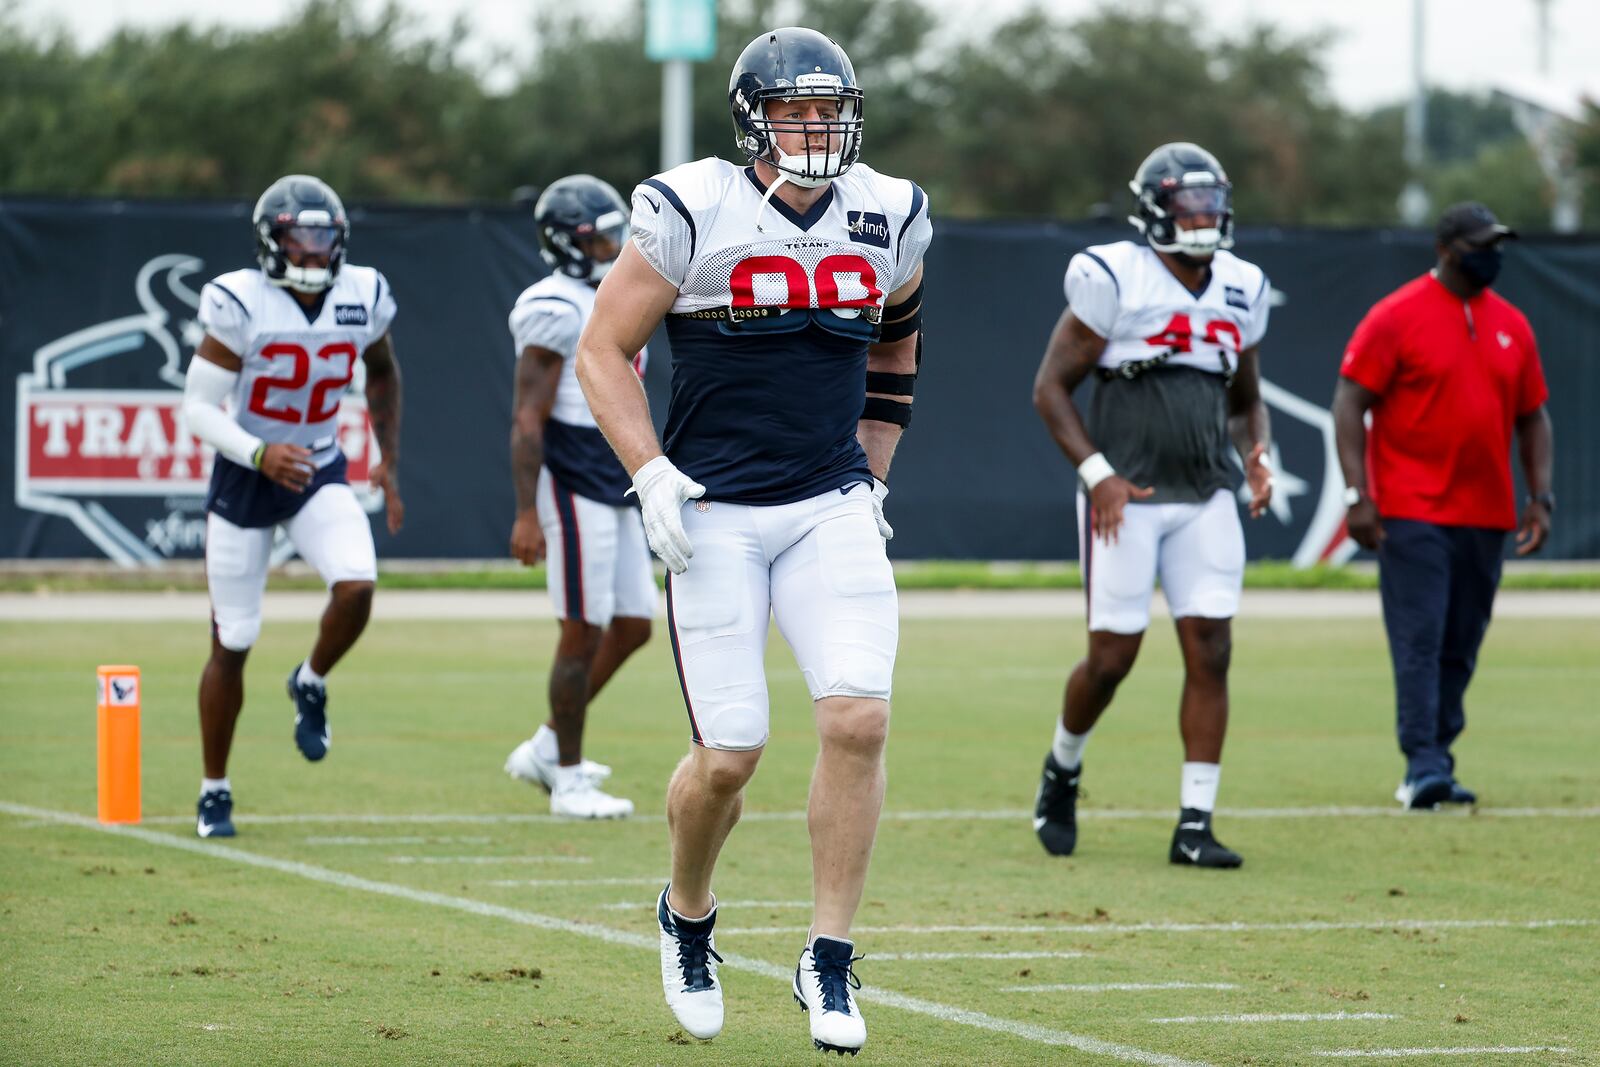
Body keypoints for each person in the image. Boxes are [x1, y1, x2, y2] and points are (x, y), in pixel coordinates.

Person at [574, 27, 931, 1055]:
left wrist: (873, 471)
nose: (816, 128)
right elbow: (603, 348)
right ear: (754, 118)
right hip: (716, 508)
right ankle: (687, 910)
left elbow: (899, 333)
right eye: (796, 110)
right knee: (728, 755)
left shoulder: (890, 210)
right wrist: (650, 473)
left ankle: (828, 953)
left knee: (858, 718)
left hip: (825, 502)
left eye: (830, 110)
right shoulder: (694, 206)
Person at [1031, 142, 1273, 870]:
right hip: (1127, 496)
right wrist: (1098, 473)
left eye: (1211, 205)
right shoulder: (1114, 275)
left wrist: (1257, 452)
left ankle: (1195, 822)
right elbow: (1049, 387)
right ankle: (1062, 767)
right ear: (1155, 211)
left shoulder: (1243, 285)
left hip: (1205, 493)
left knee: (1213, 649)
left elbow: (1245, 395)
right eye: (1188, 206)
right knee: (1112, 659)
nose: (1203, 219)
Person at [183, 174, 403, 839]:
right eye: (298, 238)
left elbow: (384, 369)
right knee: (234, 638)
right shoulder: (239, 301)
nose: (312, 251)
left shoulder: (362, 292)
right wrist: (257, 452)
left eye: (323, 237)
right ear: (270, 242)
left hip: (316, 463)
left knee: (358, 585)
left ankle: (310, 679)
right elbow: (196, 406)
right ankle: (213, 789)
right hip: (248, 471)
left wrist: (388, 458)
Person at [1333, 201, 1553, 811]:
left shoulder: (1513, 323)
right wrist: (1359, 495)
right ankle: (1422, 764)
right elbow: (1349, 403)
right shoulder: (1394, 317)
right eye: (1481, 245)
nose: (1493, 256)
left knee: (1462, 641)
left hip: (1486, 512)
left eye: (1498, 245)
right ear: (1446, 249)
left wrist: (1540, 497)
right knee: (1420, 638)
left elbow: (1534, 416)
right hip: (1412, 508)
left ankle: (1441, 756)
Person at [502, 175, 650, 820]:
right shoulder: (553, 305)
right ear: (567, 243)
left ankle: (545, 744)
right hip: (571, 476)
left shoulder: (613, 287)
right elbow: (528, 416)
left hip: (616, 469)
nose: (615, 245)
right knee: (580, 630)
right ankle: (566, 777)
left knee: (634, 624)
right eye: (602, 236)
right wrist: (528, 510)